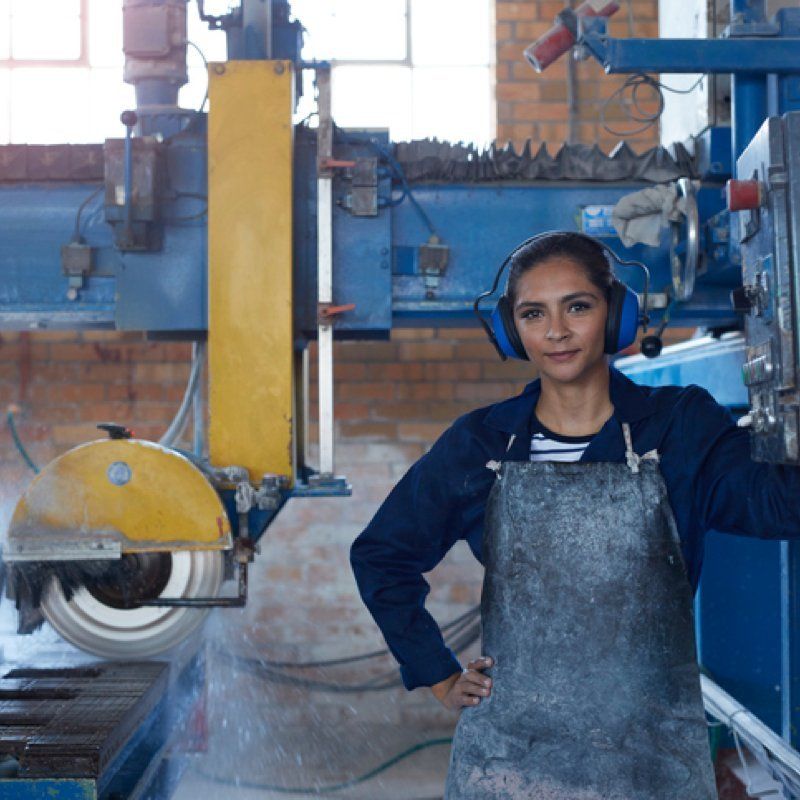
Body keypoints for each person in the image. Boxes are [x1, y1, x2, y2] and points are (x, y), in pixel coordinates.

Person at [349, 231, 800, 799]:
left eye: (578, 307)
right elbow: (381, 555)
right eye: (534, 314)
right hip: (511, 761)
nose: (556, 332)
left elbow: (778, 506)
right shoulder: (481, 442)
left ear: (615, 315)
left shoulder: (681, 427)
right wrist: (436, 672)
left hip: (651, 761)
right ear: (513, 332)